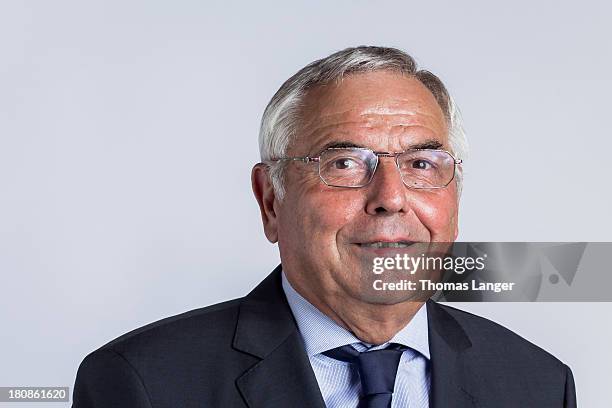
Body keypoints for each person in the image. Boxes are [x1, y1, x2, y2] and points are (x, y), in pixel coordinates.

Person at [72, 46, 577, 408]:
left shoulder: (538, 385)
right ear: (271, 201)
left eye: (422, 164)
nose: (391, 199)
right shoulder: (141, 384)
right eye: (343, 164)